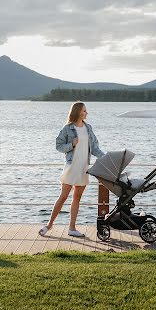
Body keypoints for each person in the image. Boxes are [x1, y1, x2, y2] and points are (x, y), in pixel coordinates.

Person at [39, 101, 105, 238]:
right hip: (71, 167)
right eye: (84, 111)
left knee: (77, 197)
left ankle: (72, 228)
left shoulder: (88, 128)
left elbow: (95, 148)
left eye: (86, 110)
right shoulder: (67, 128)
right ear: (78, 112)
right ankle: (49, 225)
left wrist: (106, 157)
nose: (87, 113)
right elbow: (58, 146)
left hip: (83, 167)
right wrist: (71, 144)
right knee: (63, 197)